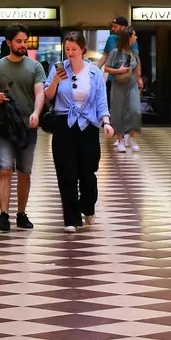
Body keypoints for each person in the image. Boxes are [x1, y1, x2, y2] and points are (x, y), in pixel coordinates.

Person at [36, 31, 113, 231]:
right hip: (63, 125)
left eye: (74, 49)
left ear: (82, 49)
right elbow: (48, 96)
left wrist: (106, 122)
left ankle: (88, 207)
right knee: (66, 173)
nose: (70, 53)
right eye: (67, 49)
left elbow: (101, 100)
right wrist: (55, 81)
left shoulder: (94, 72)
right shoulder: (58, 69)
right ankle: (71, 219)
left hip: (88, 125)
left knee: (88, 173)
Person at [0, 29, 45, 232]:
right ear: (9, 42)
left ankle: (21, 213)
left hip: (27, 126)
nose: (23, 45)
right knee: (4, 169)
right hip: (5, 127)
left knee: (24, 172)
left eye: (25, 41)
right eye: (19, 41)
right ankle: (3, 215)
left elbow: (40, 93)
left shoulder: (35, 67)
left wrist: (36, 112)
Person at [106, 27, 143, 153]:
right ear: (128, 38)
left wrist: (139, 79)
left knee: (135, 110)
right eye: (134, 35)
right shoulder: (115, 53)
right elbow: (107, 68)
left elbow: (137, 67)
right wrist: (119, 70)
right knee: (118, 111)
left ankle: (131, 137)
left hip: (132, 83)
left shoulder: (134, 53)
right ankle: (120, 140)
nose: (136, 37)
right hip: (119, 84)